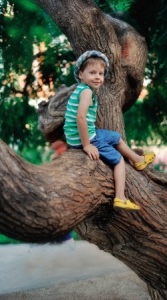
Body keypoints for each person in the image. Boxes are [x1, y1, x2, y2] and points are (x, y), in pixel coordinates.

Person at [64, 50, 155, 212]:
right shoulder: (86, 92)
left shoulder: (82, 89)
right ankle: (120, 198)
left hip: (85, 134)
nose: (98, 77)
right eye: (92, 73)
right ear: (81, 74)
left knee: (116, 137)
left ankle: (137, 160)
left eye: (101, 73)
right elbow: (80, 118)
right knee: (118, 160)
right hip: (85, 139)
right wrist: (87, 145)